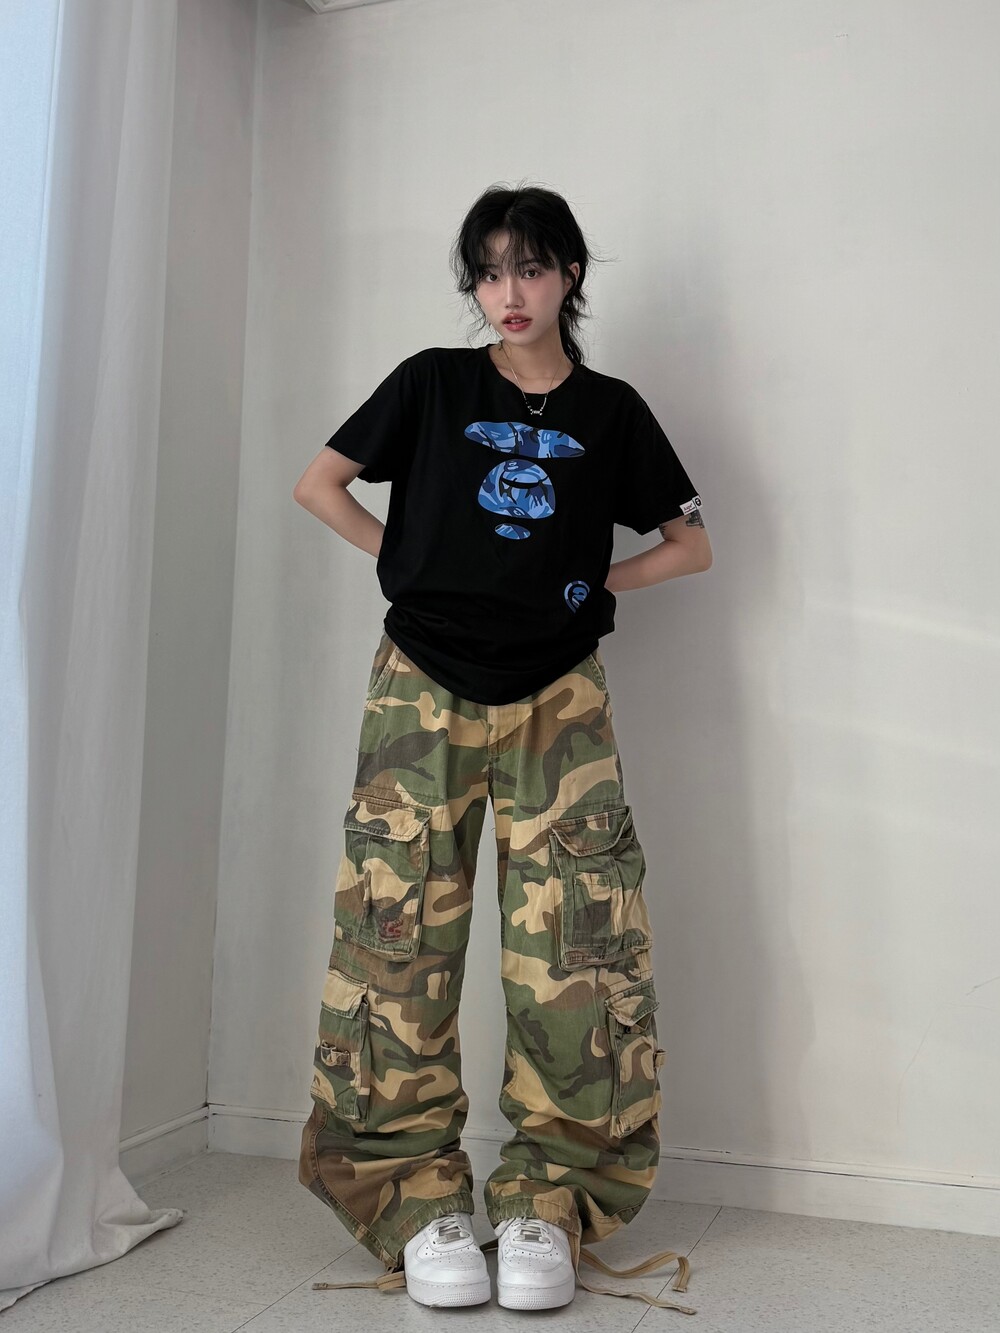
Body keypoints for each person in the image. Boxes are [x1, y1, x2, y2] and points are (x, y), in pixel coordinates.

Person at [292, 183, 711, 1315]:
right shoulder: (433, 383)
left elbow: (690, 543)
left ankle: (548, 1202)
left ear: (569, 273)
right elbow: (319, 484)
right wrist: (410, 565)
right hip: (419, 687)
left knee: (579, 943)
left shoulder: (611, 411)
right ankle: (414, 1203)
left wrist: (582, 587)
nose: (506, 292)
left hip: (558, 695)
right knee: (395, 935)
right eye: (486, 271)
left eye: (528, 267)